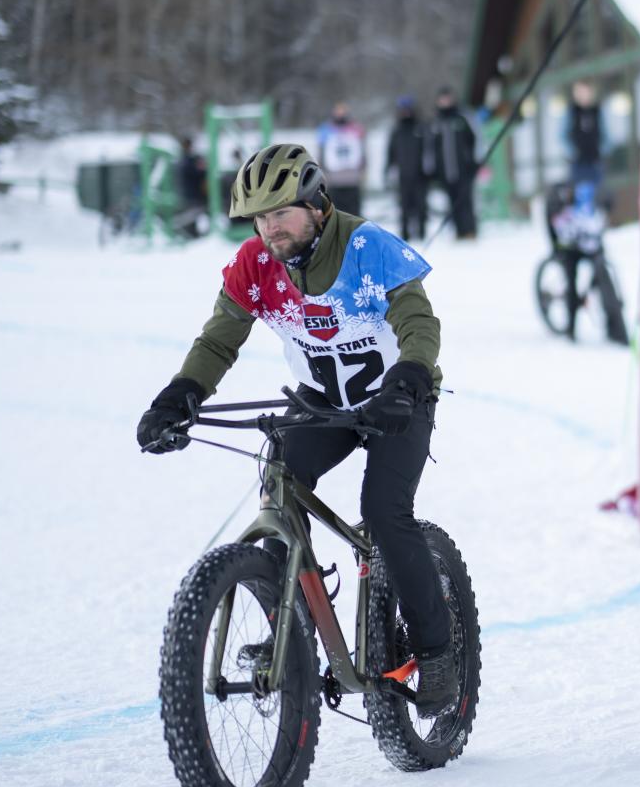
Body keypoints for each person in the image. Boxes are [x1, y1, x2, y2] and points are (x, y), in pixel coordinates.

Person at [135, 143, 459, 718]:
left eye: (281, 213)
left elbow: (417, 319)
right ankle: (294, 616)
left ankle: (437, 651)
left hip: (396, 401)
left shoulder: (366, 247)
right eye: (260, 218)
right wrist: (179, 396)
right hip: (322, 402)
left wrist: (407, 379)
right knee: (280, 481)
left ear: (317, 205)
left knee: (384, 512)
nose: (270, 229)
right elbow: (218, 339)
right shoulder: (255, 265)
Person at [543, 177, 629, 344]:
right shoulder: (559, 198)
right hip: (569, 247)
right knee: (571, 275)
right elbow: (557, 231)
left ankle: (615, 328)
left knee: (602, 271)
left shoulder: (596, 195)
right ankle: (571, 328)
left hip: (590, 245)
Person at [425, 87, 478, 240]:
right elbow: (431, 148)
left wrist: (471, 161)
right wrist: (433, 169)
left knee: (466, 201)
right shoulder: (436, 123)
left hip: (463, 170)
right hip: (445, 172)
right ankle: (457, 231)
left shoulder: (461, 119)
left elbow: (473, 140)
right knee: (451, 202)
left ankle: (470, 230)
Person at [316, 101, 367, 217]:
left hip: (352, 181)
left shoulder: (356, 129)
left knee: (354, 215)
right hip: (334, 182)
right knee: (335, 214)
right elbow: (321, 155)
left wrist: (362, 172)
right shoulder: (325, 130)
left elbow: (363, 153)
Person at [387, 95, 427, 241]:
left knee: (421, 206)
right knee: (404, 207)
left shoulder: (421, 127)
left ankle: (422, 233)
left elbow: (428, 150)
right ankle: (405, 234)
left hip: (420, 174)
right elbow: (390, 152)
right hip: (403, 175)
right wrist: (388, 169)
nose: (405, 112)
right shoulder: (396, 130)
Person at [564, 80, 607, 190]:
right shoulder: (572, 111)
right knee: (578, 192)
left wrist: (601, 150)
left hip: (594, 161)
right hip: (578, 162)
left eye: (585, 91)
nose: (583, 95)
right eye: (580, 92)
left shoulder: (598, 111)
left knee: (596, 192)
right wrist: (572, 151)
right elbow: (562, 135)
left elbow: (607, 135)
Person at [175, 135, 208, 239]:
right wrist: (203, 170)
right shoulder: (187, 160)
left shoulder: (186, 159)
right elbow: (196, 173)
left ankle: (193, 234)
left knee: (194, 216)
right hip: (192, 194)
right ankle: (192, 235)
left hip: (191, 193)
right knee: (192, 215)